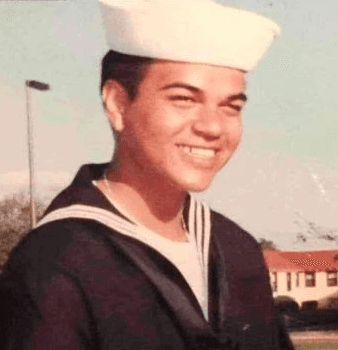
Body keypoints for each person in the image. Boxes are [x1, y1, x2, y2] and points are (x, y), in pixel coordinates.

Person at [0, 0, 294, 349]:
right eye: (184, 99)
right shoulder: (57, 262)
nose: (213, 127)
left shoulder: (236, 248)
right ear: (117, 105)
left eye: (231, 107)